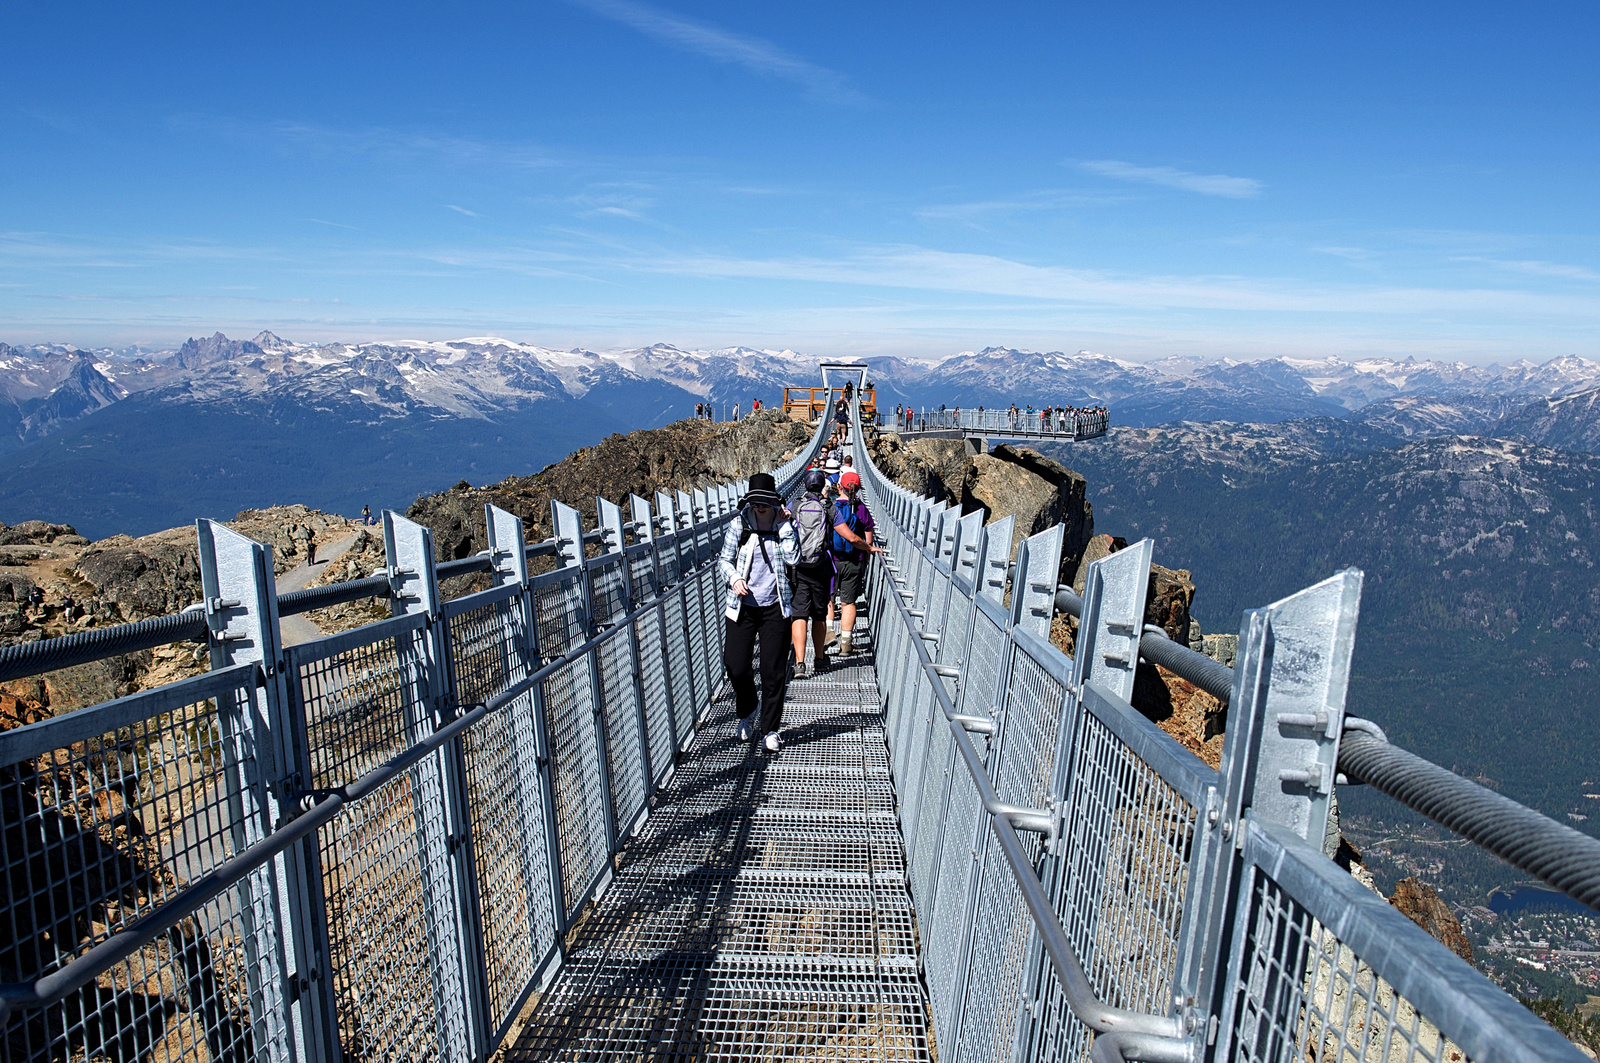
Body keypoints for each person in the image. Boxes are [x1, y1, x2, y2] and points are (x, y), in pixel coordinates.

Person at [719, 472, 800, 752]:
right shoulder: (739, 524)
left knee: (773, 671)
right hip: (742, 607)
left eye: (765, 502)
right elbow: (724, 560)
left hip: (775, 606)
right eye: (757, 502)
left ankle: (770, 730)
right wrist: (734, 579)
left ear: (773, 501)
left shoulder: (784, 522)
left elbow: (793, 558)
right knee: (735, 664)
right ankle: (748, 707)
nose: (761, 507)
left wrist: (786, 527)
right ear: (750, 502)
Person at [788, 468, 835, 680]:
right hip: (821, 567)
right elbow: (846, 535)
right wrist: (866, 547)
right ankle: (819, 658)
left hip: (798, 567)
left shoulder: (795, 505)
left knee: (798, 614)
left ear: (805, 485)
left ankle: (799, 663)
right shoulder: (828, 507)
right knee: (819, 614)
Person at [828, 471, 879, 657]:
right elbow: (868, 534)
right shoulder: (861, 509)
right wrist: (866, 554)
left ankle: (828, 632)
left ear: (839, 486)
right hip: (854, 561)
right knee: (848, 602)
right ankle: (846, 644)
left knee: (829, 598)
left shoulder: (831, 507)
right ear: (858, 489)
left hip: (832, 560)